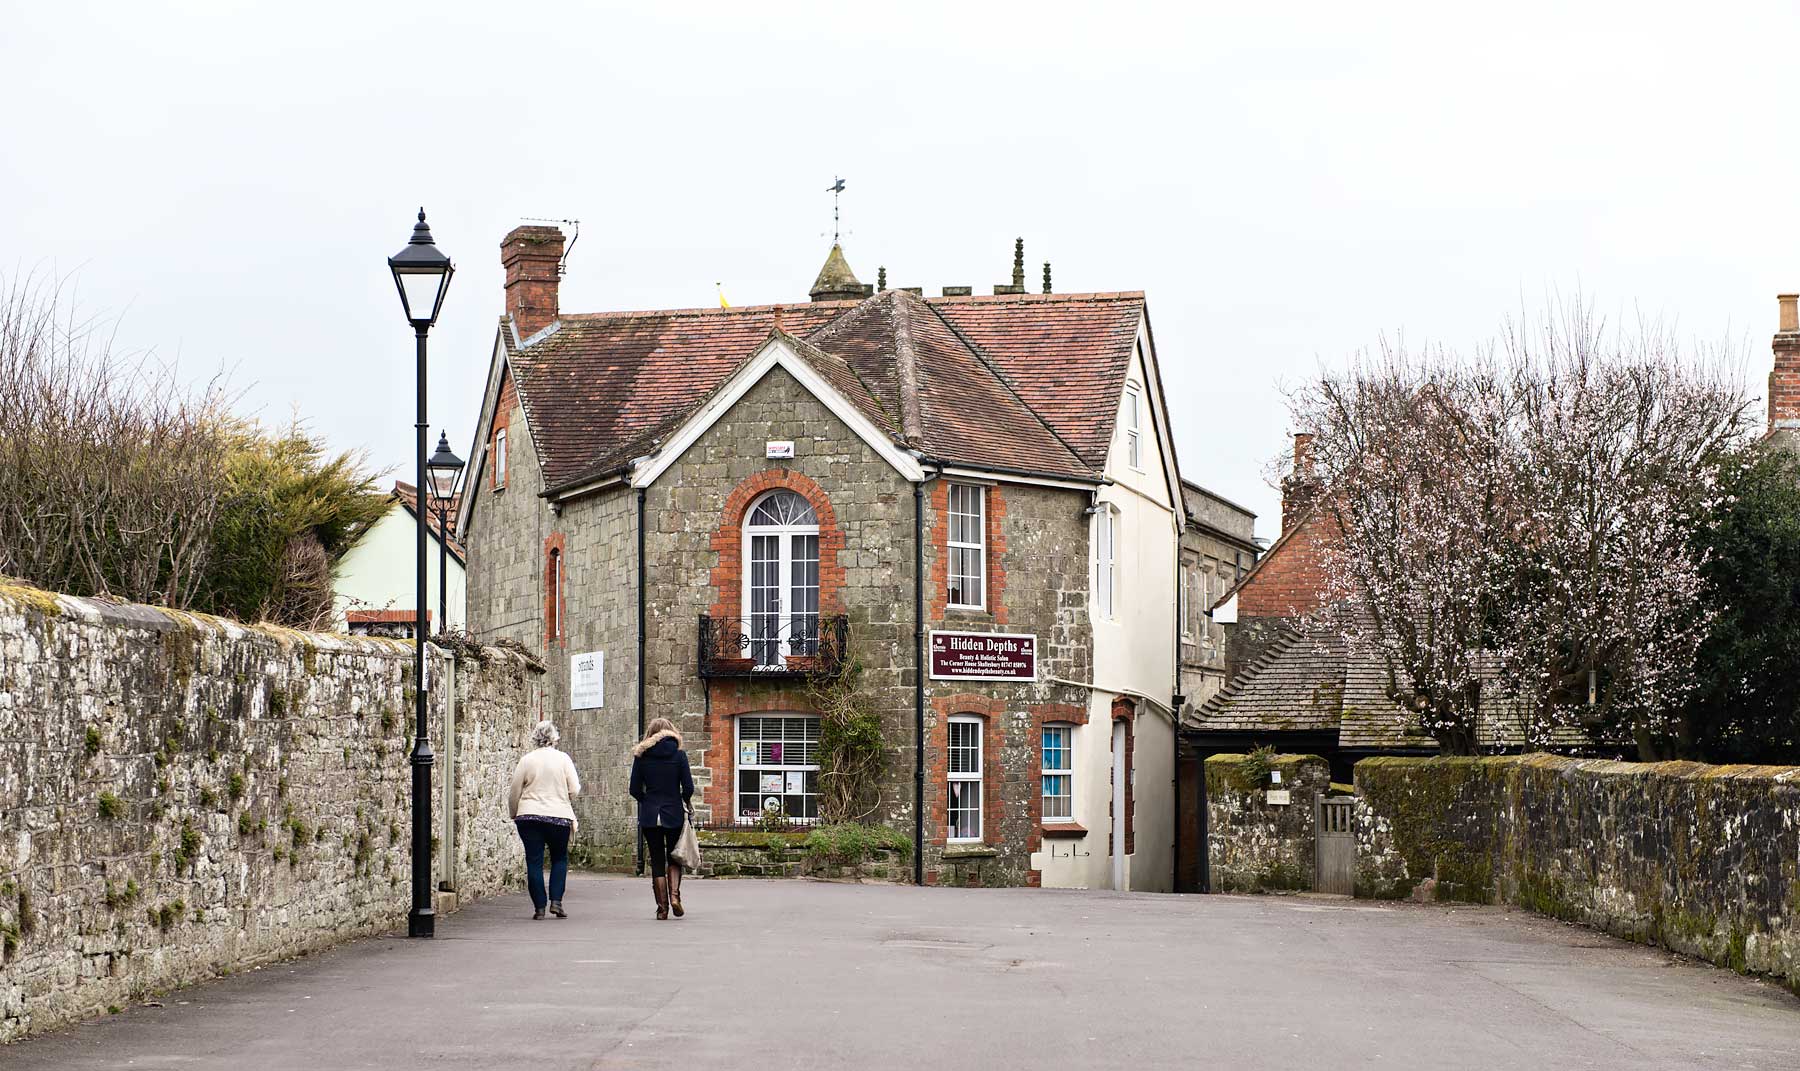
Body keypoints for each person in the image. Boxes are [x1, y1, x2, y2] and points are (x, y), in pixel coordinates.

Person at [508, 720, 581, 920]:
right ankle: (556, 901)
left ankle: (539, 907)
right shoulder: (563, 759)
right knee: (559, 858)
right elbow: (574, 788)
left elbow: (515, 791)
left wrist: (514, 812)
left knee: (534, 861)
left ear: (535, 737)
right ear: (554, 737)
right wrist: (562, 796)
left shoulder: (527, 760)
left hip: (529, 816)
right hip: (559, 816)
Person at [629, 716, 694, 920]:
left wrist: (647, 800)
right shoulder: (679, 755)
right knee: (674, 856)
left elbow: (634, 789)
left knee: (657, 859)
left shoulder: (641, 756)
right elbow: (688, 787)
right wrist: (684, 799)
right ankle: (675, 897)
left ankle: (662, 908)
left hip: (650, 814)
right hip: (673, 812)